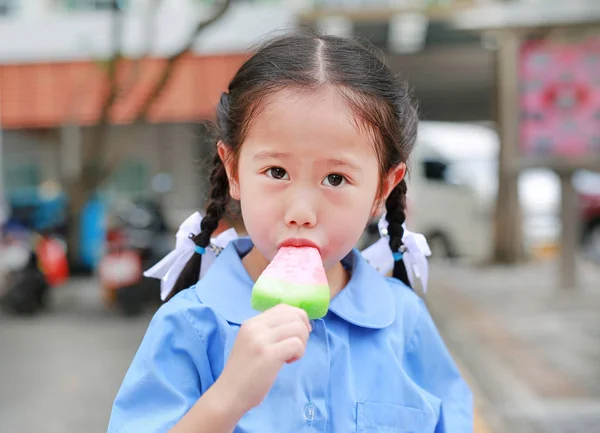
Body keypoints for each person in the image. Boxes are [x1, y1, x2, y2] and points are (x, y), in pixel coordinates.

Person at [107, 32, 473, 433]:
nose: (301, 212)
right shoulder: (191, 325)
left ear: (382, 190)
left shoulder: (405, 321)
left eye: (335, 178)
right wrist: (228, 399)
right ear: (234, 172)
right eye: (276, 172)